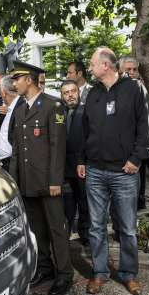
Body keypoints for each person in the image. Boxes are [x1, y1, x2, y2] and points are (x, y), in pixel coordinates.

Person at [77, 47, 149, 295]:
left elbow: (144, 126)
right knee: (96, 227)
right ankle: (100, 273)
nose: (90, 67)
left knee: (127, 228)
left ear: (106, 65)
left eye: (92, 63)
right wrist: (81, 160)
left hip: (125, 171)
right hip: (96, 171)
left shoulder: (133, 88)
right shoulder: (92, 94)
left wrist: (136, 159)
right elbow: (83, 131)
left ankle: (129, 274)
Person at [9, 61, 73, 295]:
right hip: (28, 181)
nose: (14, 83)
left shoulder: (52, 105)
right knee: (38, 230)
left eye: (17, 79)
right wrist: (15, 181)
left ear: (29, 79)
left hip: (48, 182)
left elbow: (58, 147)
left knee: (57, 229)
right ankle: (45, 270)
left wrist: (56, 181)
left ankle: (64, 275)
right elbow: (17, 149)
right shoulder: (20, 109)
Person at [118, 55, 149, 210]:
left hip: (141, 143)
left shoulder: (143, 88)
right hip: (121, 146)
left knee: (139, 179)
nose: (132, 72)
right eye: (128, 69)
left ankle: (139, 203)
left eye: (134, 69)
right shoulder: (115, 88)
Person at [60, 80, 89, 246]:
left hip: (82, 164)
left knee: (84, 201)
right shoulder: (59, 112)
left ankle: (85, 234)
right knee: (68, 202)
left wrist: (82, 161)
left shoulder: (86, 111)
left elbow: (89, 139)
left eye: (73, 91)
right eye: (66, 93)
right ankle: (67, 231)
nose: (70, 95)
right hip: (65, 167)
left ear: (78, 92)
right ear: (62, 96)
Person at [0, 75, 24, 172]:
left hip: (14, 164)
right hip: (6, 163)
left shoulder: (21, 107)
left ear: (3, 92)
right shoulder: (12, 107)